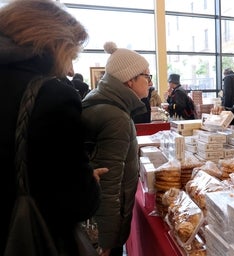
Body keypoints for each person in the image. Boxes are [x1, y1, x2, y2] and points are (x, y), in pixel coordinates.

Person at [0, 0, 108, 255]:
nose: (69, 68)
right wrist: (89, 181)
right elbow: (78, 202)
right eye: (69, 55)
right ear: (53, 43)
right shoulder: (51, 95)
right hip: (28, 238)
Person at [82, 41, 151, 256]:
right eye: (147, 76)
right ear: (130, 80)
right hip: (103, 232)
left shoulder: (104, 105)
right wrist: (106, 242)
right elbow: (108, 186)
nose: (150, 82)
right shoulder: (116, 117)